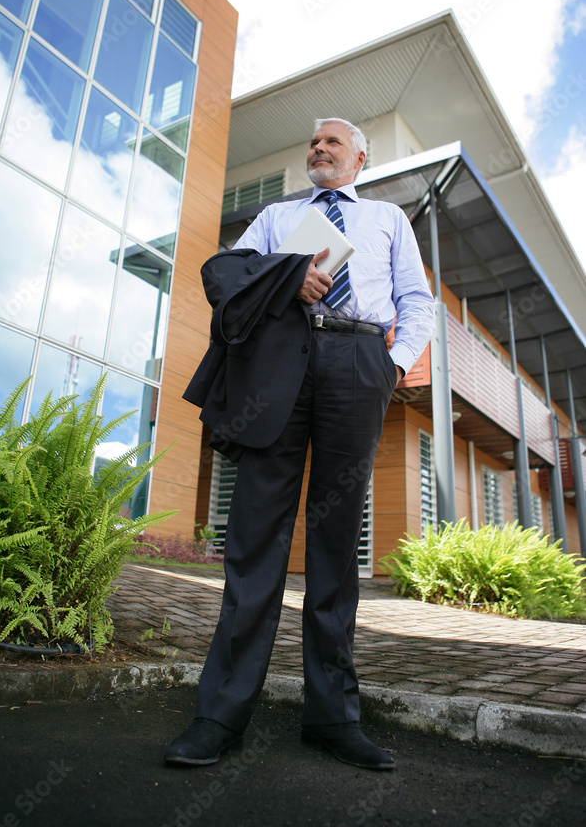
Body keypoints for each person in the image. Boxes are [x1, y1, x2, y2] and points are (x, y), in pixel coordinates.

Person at [164, 118, 435, 770]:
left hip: (357, 362)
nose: (317, 149)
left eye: (331, 141)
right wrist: (290, 276)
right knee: (254, 536)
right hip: (279, 361)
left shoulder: (386, 219)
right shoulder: (278, 217)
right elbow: (227, 274)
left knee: (336, 539)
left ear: (359, 157)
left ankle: (332, 717)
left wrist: (391, 366)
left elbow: (415, 300)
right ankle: (219, 715)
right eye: (312, 142)